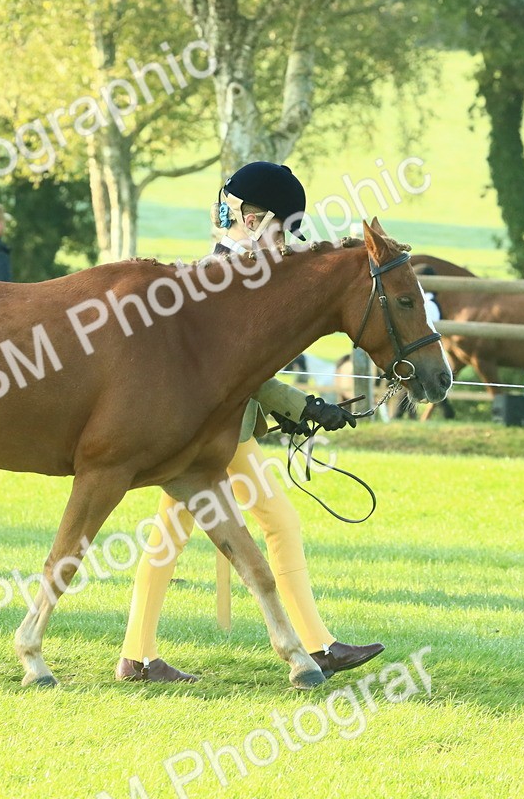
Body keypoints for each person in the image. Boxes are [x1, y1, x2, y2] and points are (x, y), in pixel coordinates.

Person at [116, 162, 385, 683]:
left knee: (173, 534)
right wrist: (303, 408)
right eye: (284, 228)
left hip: (219, 429)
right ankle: (315, 646)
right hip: (214, 432)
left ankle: (138, 654)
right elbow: (242, 372)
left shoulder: (252, 271)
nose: (289, 240)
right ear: (254, 217)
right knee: (273, 523)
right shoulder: (222, 278)